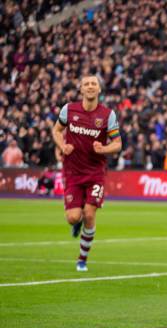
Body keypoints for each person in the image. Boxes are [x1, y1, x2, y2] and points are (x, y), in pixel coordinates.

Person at [52, 75, 122, 272]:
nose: (90, 87)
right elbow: (56, 131)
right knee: (73, 217)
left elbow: (117, 144)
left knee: (89, 213)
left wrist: (104, 149)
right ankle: (77, 221)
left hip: (95, 173)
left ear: (99, 90)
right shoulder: (69, 109)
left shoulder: (108, 115)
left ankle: (82, 260)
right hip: (73, 171)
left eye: (94, 84)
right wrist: (62, 145)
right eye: (86, 84)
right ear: (81, 89)